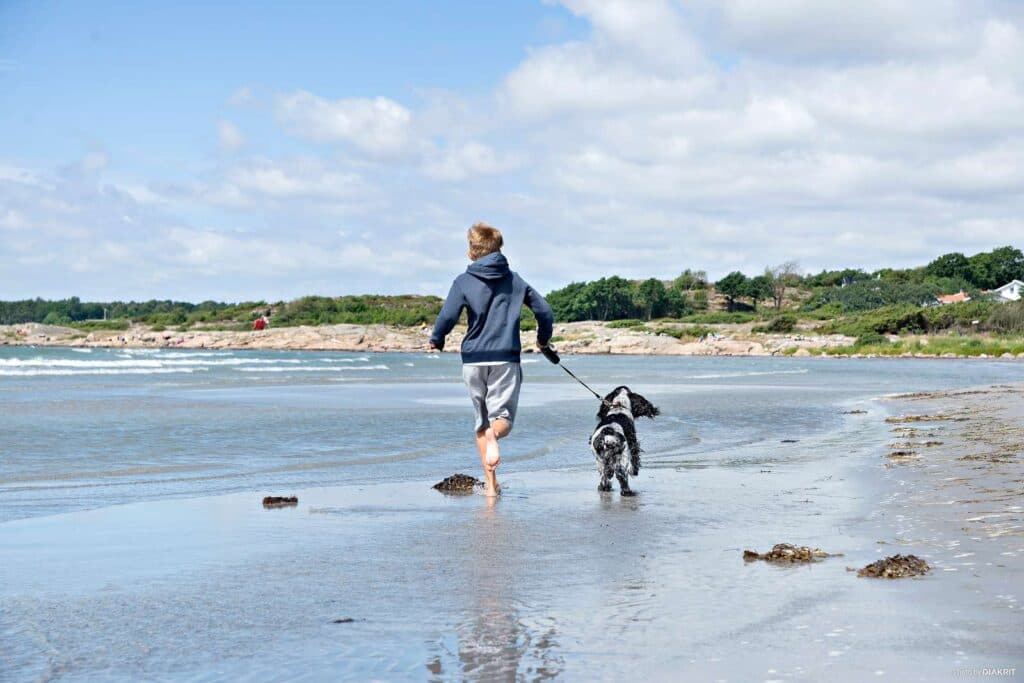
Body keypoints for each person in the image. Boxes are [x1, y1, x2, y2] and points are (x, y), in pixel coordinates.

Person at [429, 223, 554, 497]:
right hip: (505, 358)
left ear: (471, 250)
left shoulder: (463, 281)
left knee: (481, 422)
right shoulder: (514, 280)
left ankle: (491, 487)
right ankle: (493, 439)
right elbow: (544, 311)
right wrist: (543, 339)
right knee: (502, 420)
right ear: (499, 249)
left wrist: (437, 338)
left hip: (472, 360)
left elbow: (448, 316)